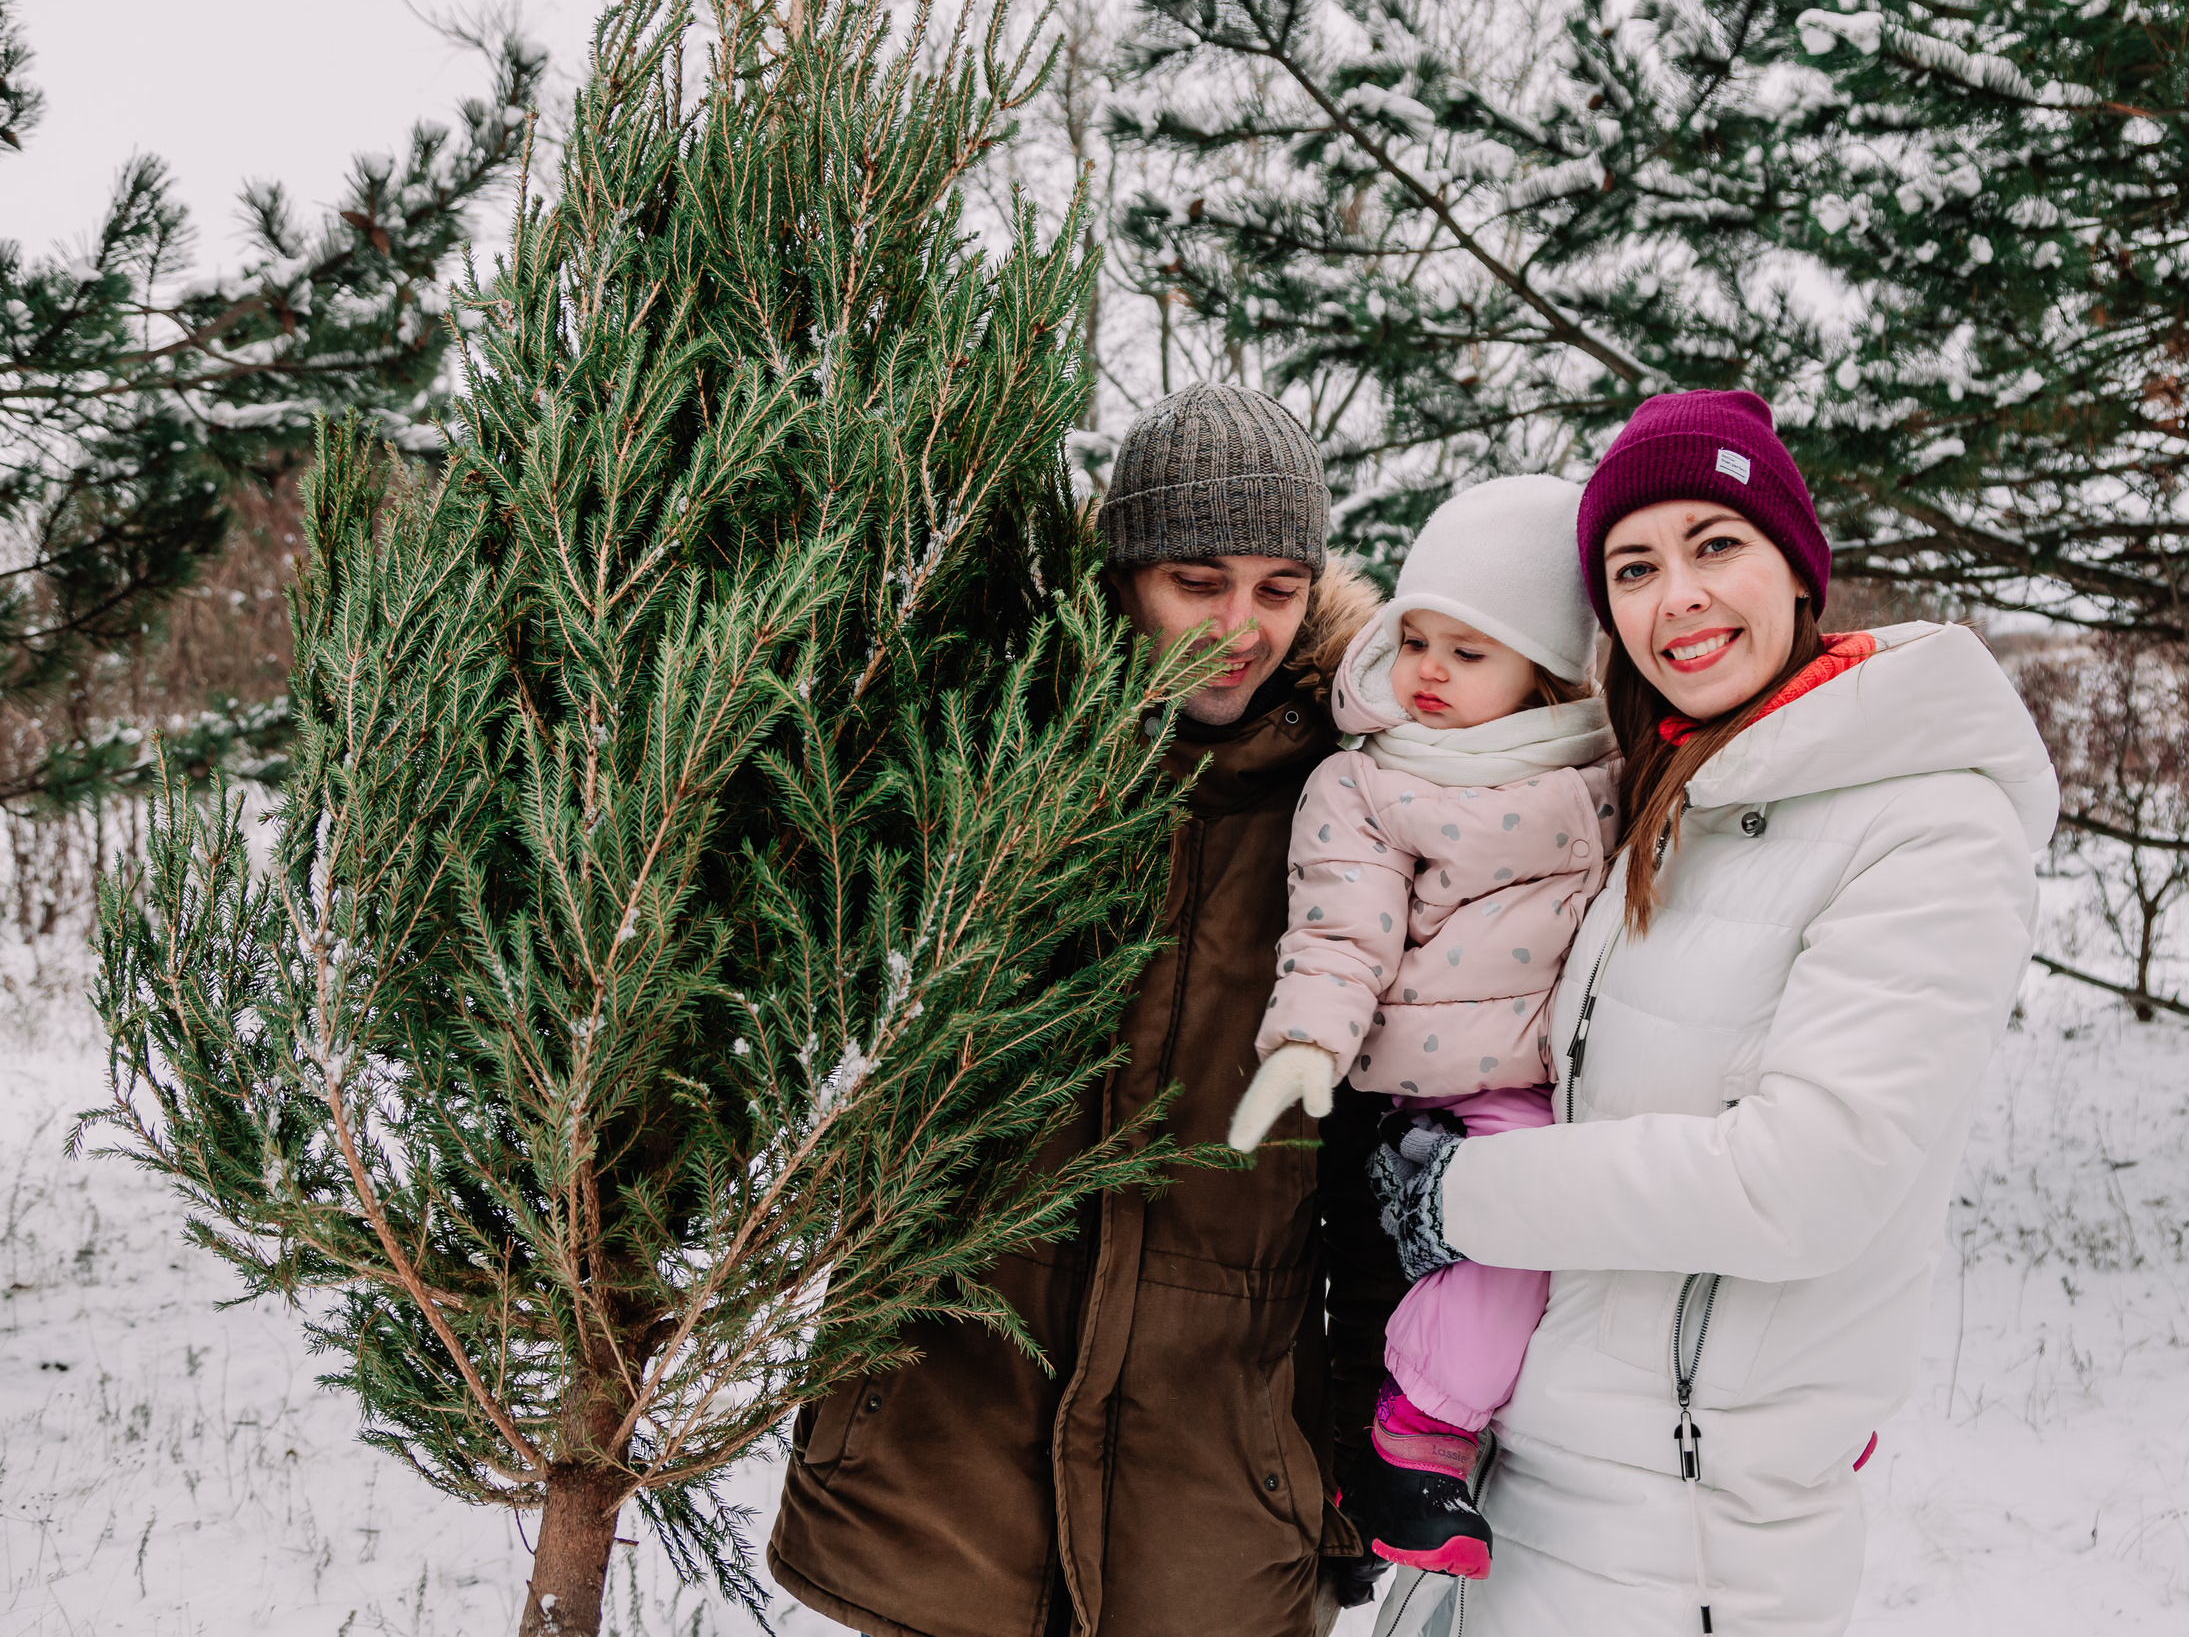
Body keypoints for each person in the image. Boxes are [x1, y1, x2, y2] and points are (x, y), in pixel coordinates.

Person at [1367, 389, 2057, 1636]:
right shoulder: (1670, 803)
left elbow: (1803, 1181)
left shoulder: (1929, 826)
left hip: (1683, 1540)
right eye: (1634, 566)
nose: (1675, 594)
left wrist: (1453, 1198)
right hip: (1529, 1496)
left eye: (1715, 543)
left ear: (1797, 567)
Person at [769, 383, 1402, 1637]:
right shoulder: (981, 751)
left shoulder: (1356, 811)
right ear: (1120, 574)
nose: (1240, 627)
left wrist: (1338, 1466)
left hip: (1222, 1496)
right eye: (1197, 580)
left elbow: (1373, 1175)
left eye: (1280, 589)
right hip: (937, 1467)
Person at [1225, 476, 1620, 1582]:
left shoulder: (1602, 773)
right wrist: (1307, 1038)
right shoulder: (1373, 781)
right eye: (1416, 640)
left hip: (1584, 1076)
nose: (1429, 672)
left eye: (1470, 651)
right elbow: (1339, 924)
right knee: (1517, 1240)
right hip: (1455, 1087)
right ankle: (1418, 1430)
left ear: (1544, 672)